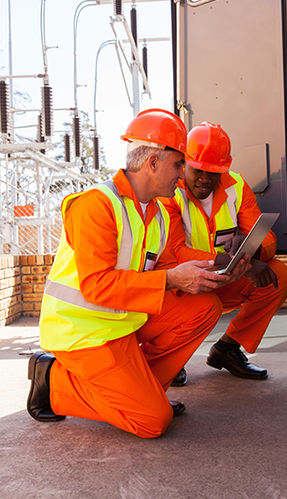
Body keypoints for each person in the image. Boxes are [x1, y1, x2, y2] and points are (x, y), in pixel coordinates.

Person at [27, 109, 250, 439]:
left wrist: (209, 274)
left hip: (123, 321)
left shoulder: (156, 213)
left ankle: (143, 393)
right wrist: (173, 279)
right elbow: (96, 286)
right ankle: (54, 382)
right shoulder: (95, 206)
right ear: (153, 163)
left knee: (205, 307)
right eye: (179, 164)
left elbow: (159, 269)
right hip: (83, 332)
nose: (183, 174)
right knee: (152, 421)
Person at [162, 122, 287, 384]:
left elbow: (267, 237)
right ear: (184, 163)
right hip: (182, 287)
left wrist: (250, 249)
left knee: (280, 274)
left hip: (224, 278)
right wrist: (229, 260)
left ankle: (227, 349)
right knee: (201, 304)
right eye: (198, 170)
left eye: (214, 172)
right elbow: (176, 253)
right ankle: (169, 358)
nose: (205, 179)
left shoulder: (236, 185)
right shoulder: (168, 191)